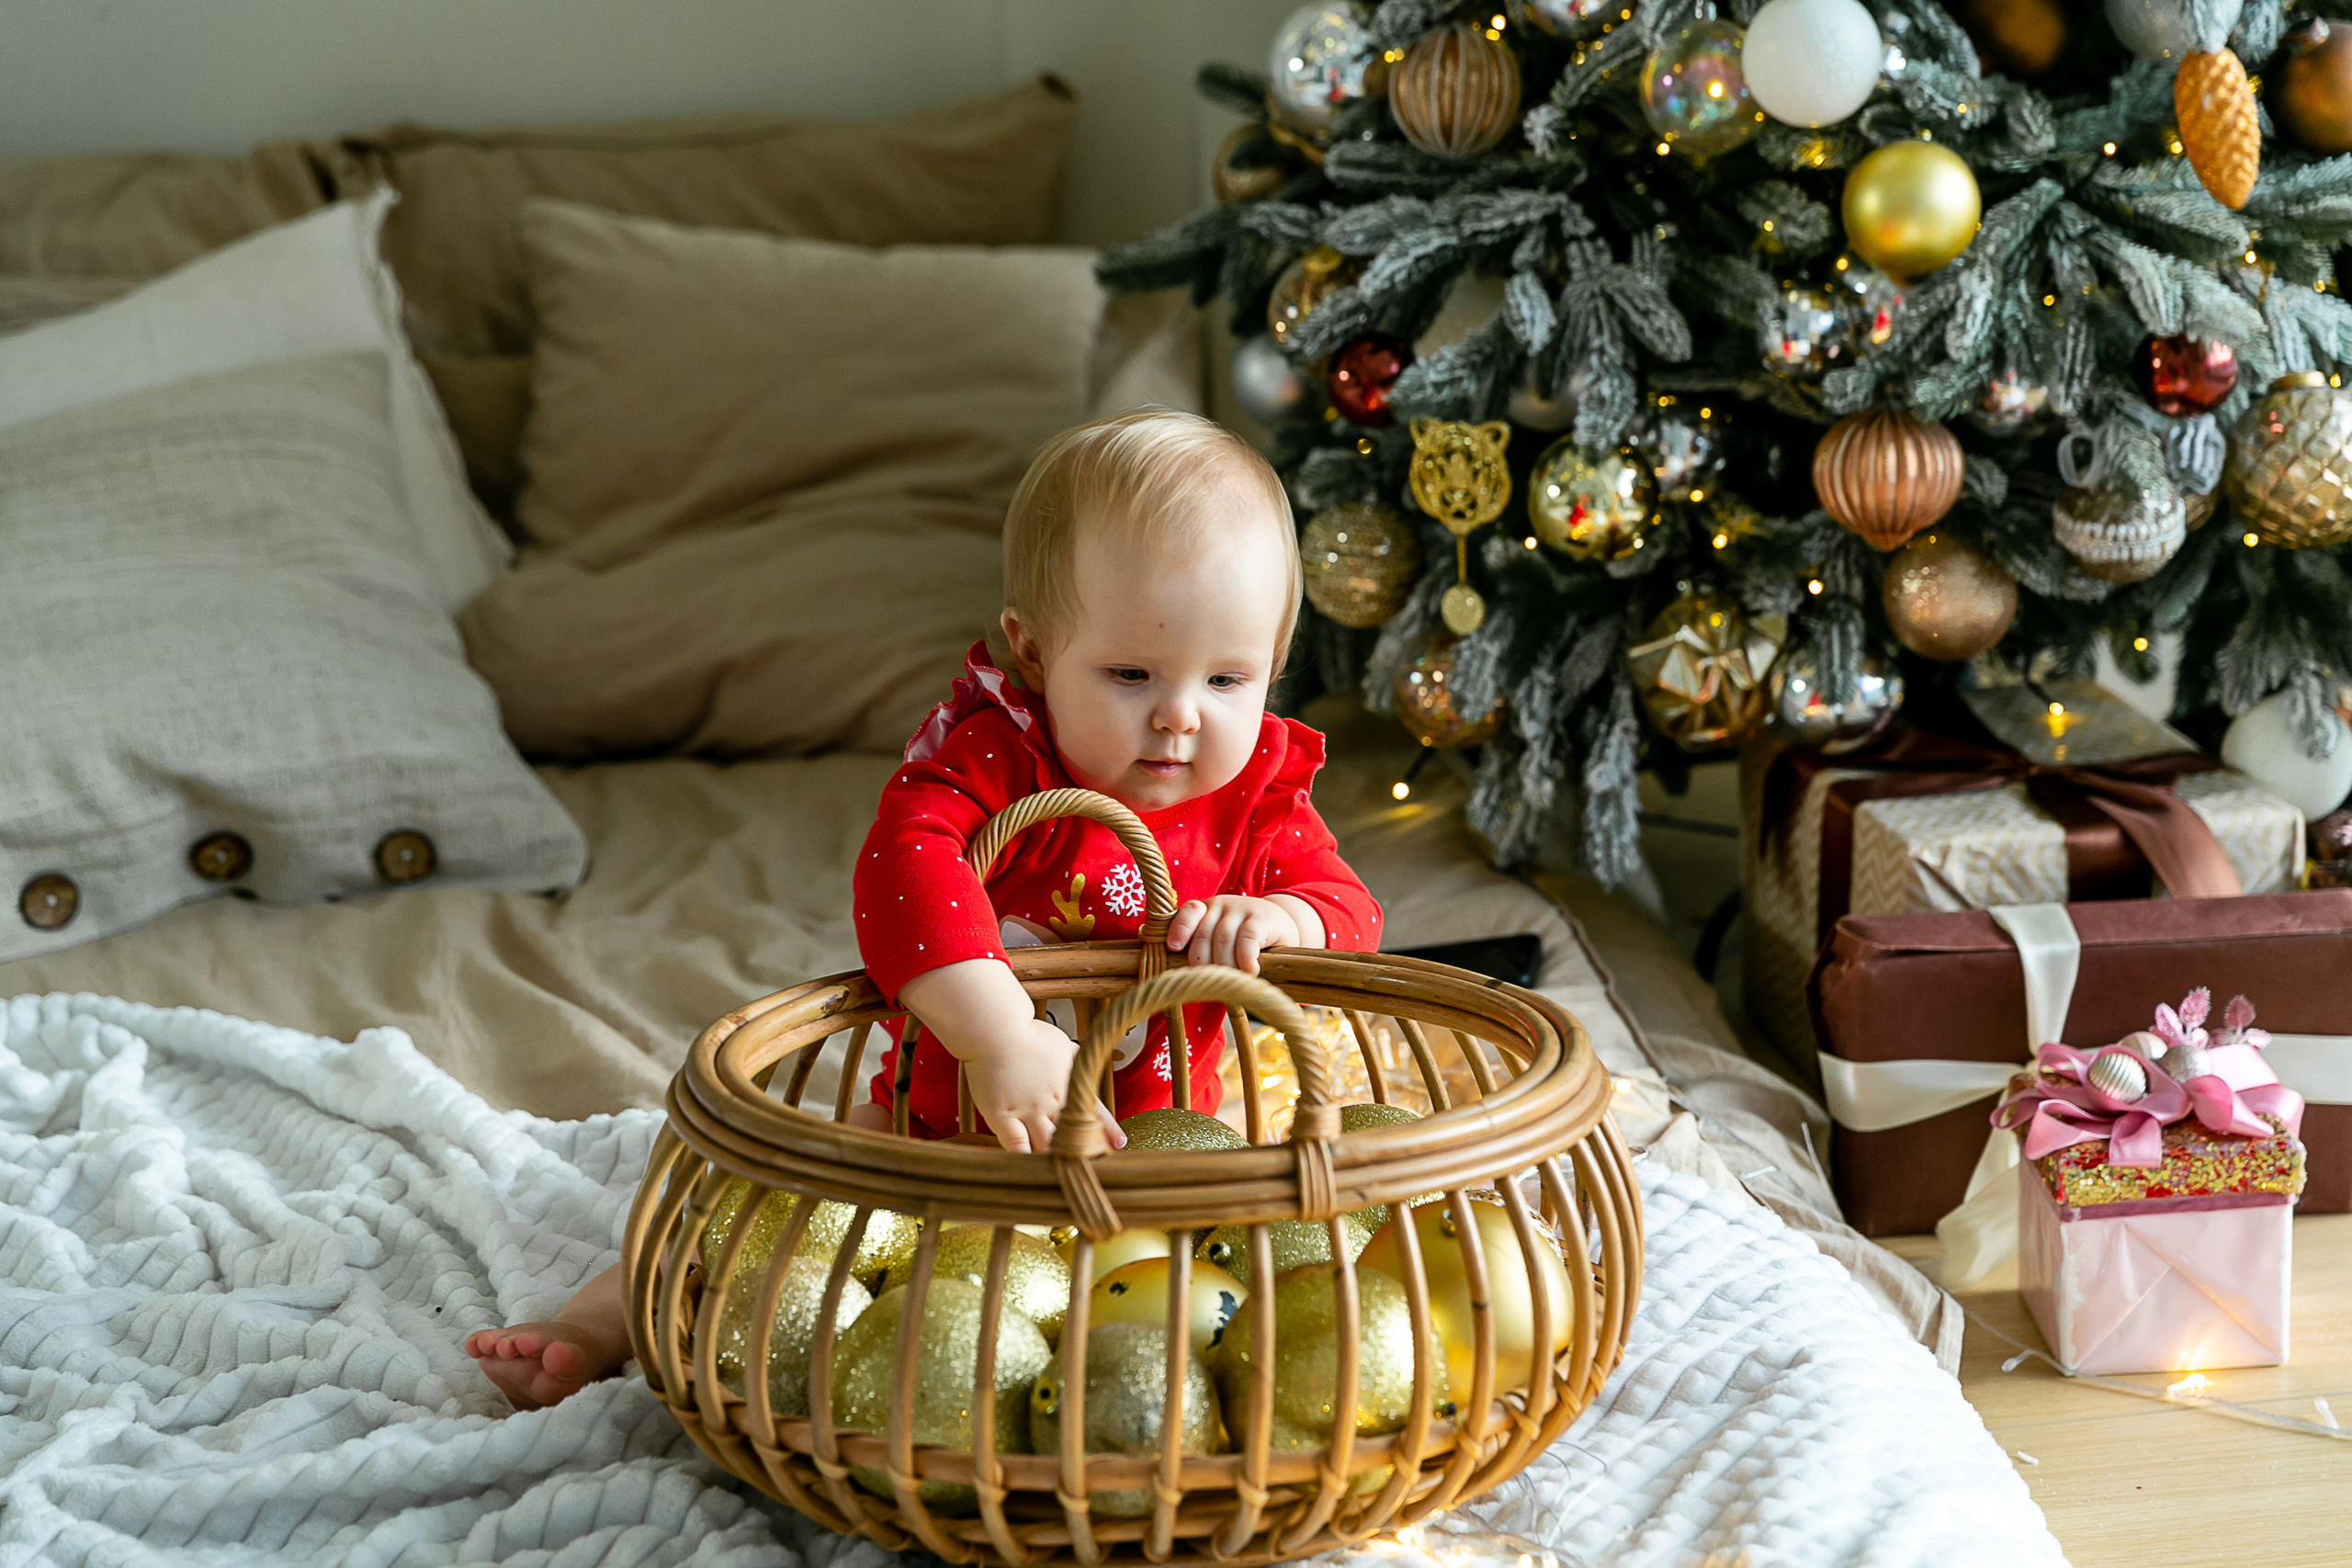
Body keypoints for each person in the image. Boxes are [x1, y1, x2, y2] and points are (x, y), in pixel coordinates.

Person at [466, 409, 1382, 1409]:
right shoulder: (998, 757)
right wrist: (997, 1035)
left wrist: (1282, 921)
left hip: (1156, 1159)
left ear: (1274, 662)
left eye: (1227, 678)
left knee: (1244, 1271)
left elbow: (1351, 913)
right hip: (937, 1132)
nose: (1179, 714)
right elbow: (905, 865)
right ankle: (598, 1321)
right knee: (755, 1209)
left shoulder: (1256, 799)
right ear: (1035, 652)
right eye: (1130, 674)